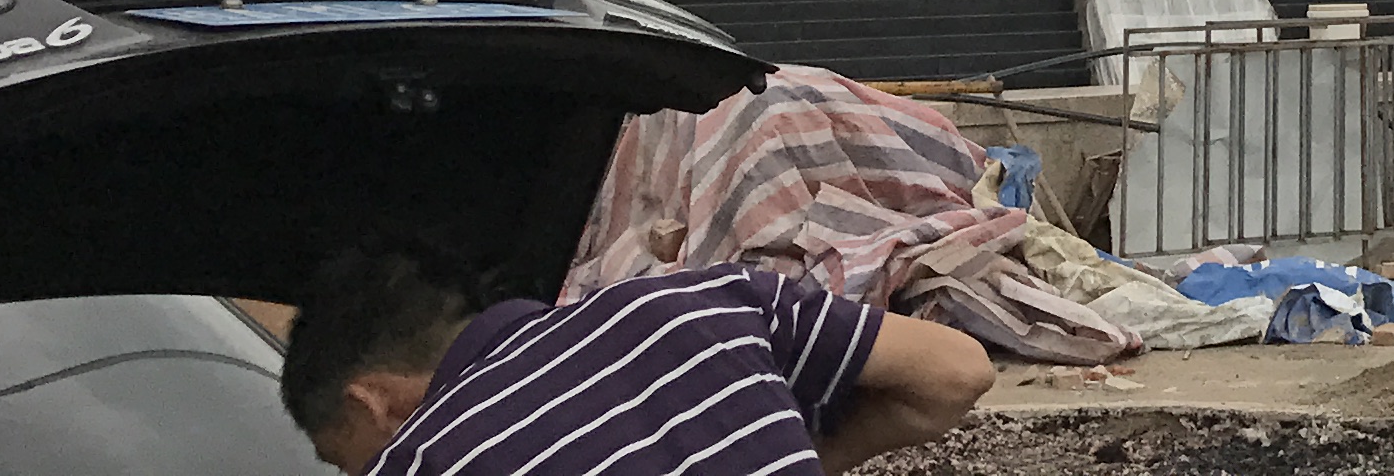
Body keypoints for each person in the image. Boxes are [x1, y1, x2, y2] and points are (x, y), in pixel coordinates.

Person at [280, 241, 991, 476]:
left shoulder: (420, 465)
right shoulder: (703, 303)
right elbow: (955, 375)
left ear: (370, 400)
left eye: (345, 461)